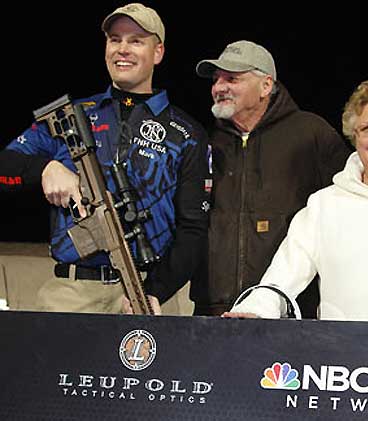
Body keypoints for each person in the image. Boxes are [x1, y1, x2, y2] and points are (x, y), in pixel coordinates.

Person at [0, 3, 210, 314]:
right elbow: (5, 166)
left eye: (136, 40)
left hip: (148, 295)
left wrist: (155, 292)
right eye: (115, 39)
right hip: (69, 295)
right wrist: (45, 169)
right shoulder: (71, 117)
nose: (122, 49)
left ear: (158, 52)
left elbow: (194, 227)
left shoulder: (187, 133)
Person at [223, 79, 368, 323]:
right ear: (354, 138)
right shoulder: (324, 205)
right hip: (350, 355)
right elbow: (284, 273)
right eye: (367, 128)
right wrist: (256, 309)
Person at [170, 40, 350, 317]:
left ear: (266, 85)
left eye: (232, 79)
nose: (219, 87)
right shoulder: (204, 141)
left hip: (290, 309)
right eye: (216, 80)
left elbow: (346, 210)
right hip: (213, 309)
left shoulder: (312, 135)